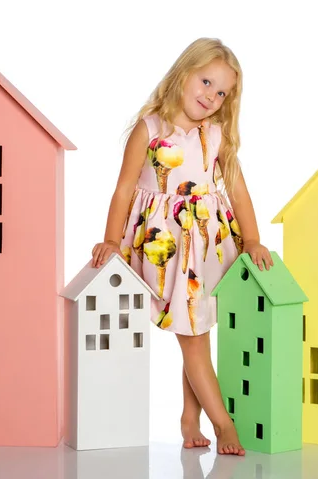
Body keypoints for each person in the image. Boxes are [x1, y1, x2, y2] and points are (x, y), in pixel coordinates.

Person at [91, 37, 273, 456]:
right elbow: (123, 190)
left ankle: (190, 417)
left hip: (208, 246)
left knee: (197, 333)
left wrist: (253, 239)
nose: (211, 96)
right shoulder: (151, 129)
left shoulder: (216, 135)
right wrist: (112, 241)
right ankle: (222, 423)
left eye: (222, 91)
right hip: (166, 247)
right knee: (193, 338)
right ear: (183, 73)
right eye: (206, 82)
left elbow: (239, 191)